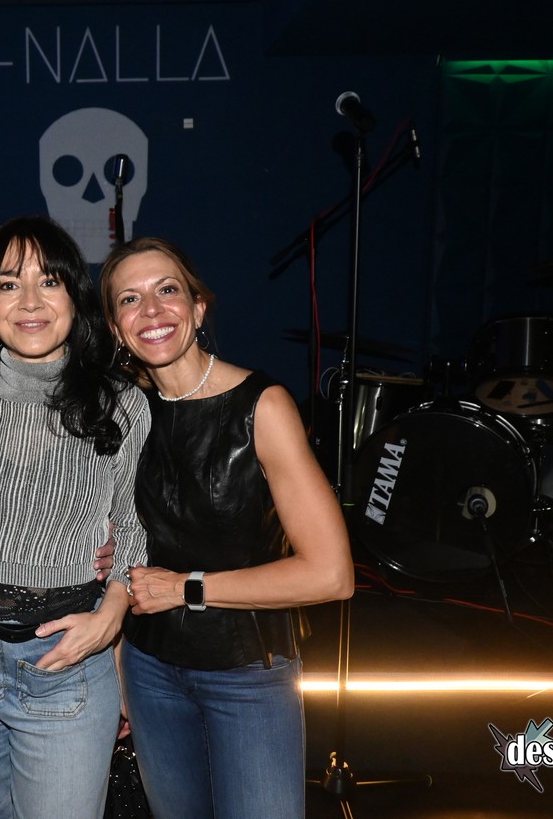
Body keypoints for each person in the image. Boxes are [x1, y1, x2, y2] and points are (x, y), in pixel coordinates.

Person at [99, 237, 354, 819]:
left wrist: (186, 587)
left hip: (248, 675)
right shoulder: (123, 414)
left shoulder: (262, 406)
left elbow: (331, 574)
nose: (152, 310)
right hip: (149, 670)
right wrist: (118, 670)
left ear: (198, 308)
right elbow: (122, 555)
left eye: (167, 291)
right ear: (115, 328)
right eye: (130, 299)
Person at [0, 216, 151, 819]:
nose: (30, 302)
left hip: (65, 665)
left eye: (49, 281)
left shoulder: (122, 404)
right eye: (8, 284)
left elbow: (135, 529)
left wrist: (111, 616)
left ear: (75, 297)